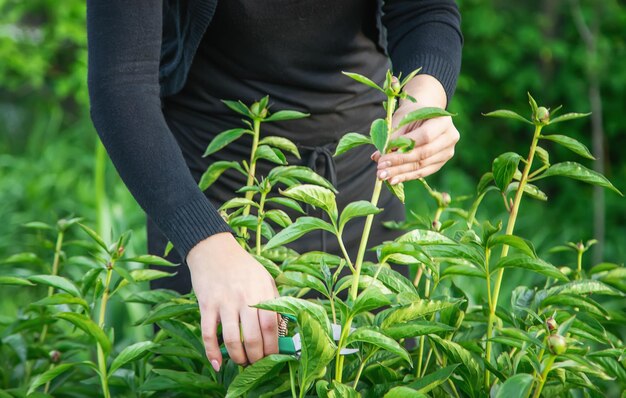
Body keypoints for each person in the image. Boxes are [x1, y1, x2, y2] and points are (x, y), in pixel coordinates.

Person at [86, 0, 462, 373]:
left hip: (362, 172)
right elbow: (123, 84)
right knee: (229, 377)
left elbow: (424, 9)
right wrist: (205, 241)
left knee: (377, 373)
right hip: (215, 191)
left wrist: (424, 102)